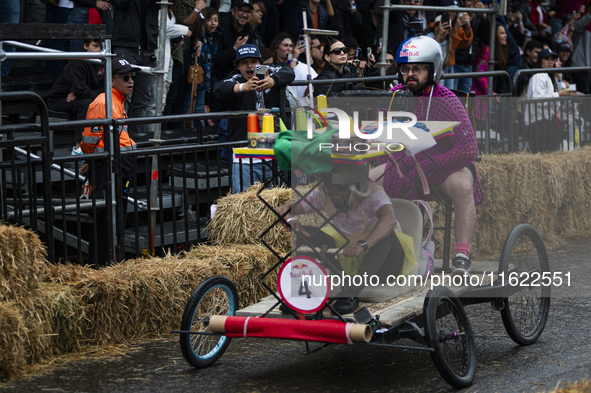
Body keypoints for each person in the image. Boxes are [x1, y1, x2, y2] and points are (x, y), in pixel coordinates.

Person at [369, 35, 482, 276]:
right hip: (405, 165)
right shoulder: (393, 97)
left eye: (418, 68)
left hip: (444, 167)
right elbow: (380, 137)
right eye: (406, 69)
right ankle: (377, 250)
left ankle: (462, 257)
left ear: (433, 69)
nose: (410, 74)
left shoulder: (447, 100)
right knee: (366, 182)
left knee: (463, 186)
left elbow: (469, 150)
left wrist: (432, 167)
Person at [277, 164, 405, 315]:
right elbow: (285, 209)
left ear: (355, 187)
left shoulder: (373, 191)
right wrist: (291, 220)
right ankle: (304, 289)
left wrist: (363, 245)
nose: (335, 193)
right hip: (347, 258)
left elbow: (389, 219)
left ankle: (351, 292)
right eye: (331, 188)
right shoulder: (324, 194)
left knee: (387, 234)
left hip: (383, 263)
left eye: (341, 188)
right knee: (308, 232)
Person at [80, 58, 140, 267]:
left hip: (119, 167)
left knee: (114, 218)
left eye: (132, 76)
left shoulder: (118, 101)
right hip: (108, 169)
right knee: (105, 220)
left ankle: (108, 264)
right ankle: (100, 265)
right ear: (112, 81)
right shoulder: (103, 102)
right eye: (125, 77)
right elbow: (89, 139)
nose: (131, 81)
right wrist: (93, 159)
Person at [212, 44, 294, 193]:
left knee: (278, 200)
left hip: (274, 149)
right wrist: (243, 87)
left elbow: (289, 71)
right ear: (238, 66)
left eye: (254, 62)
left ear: (260, 63)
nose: (250, 66)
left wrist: (273, 81)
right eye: (244, 63)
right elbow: (218, 89)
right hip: (246, 152)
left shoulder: (270, 72)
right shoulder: (235, 78)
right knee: (245, 201)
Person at [48, 38, 104, 156]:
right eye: (95, 46)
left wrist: (81, 92)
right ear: (85, 46)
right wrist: (80, 91)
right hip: (59, 99)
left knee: (99, 101)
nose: (98, 50)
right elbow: (80, 89)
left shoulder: (101, 62)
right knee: (87, 103)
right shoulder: (77, 62)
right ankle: (78, 147)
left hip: (79, 96)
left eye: (100, 47)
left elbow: (102, 89)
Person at [111, 0, 159, 137]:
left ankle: (134, 139)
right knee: (124, 97)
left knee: (142, 100)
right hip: (126, 46)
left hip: (147, 49)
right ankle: (120, 138)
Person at [524, 48, 572, 153]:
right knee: (544, 153)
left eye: (552, 59)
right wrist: (558, 94)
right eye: (547, 59)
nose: (550, 62)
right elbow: (537, 99)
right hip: (537, 123)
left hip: (545, 122)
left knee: (550, 152)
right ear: (540, 60)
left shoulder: (547, 76)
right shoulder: (538, 76)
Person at [214, 0, 258, 82]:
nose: (244, 15)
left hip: (242, 79)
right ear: (233, 11)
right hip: (219, 79)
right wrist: (234, 49)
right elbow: (215, 60)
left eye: (248, 12)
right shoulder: (221, 29)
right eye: (241, 10)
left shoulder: (249, 31)